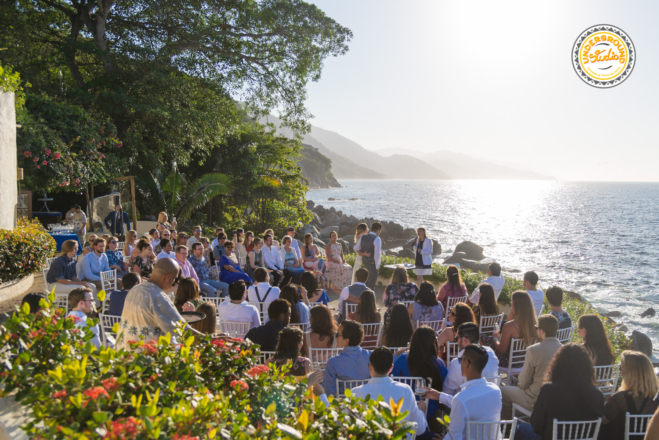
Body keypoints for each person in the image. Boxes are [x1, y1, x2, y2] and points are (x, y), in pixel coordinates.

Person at [514, 344, 604, 440]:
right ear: (587, 367)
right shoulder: (598, 394)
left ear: (558, 364)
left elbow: (536, 426)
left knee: (520, 428)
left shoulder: (549, 389)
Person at [118, 258, 204, 349]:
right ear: (168, 277)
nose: (173, 283)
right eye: (174, 279)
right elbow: (183, 330)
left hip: (126, 351)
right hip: (147, 356)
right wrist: (211, 339)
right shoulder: (158, 297)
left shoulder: (134, 289)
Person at [423, 345, 502, 440]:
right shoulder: (496, 391)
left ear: (467, 363)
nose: (459, 363)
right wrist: (439, 395)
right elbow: (471, 404)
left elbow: (454, 437)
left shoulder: (461, 399)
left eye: (461, 360)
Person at [353, 347, 431, 438]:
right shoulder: (405, 390)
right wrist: (421, 411)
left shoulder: (356, 392)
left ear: (370, 366)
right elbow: (420, 429)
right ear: (391, 368)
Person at [501, 315, 563, 419]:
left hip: (534, 399)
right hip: (554, 399)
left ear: (542, 331)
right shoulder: (564, 349)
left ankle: (507, 427)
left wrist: (519, 384)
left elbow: (524, 383)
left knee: (503, 390)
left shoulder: (533, 350)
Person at [392, 326, 448, 426]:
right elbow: (444, 388)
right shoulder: (439, 364)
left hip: (404, 410)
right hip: (430, 411)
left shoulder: (402, 359)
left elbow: (393, 381)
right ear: (433, 344)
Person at [599, 351, 659, 440]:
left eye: (621, 367)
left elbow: (601, 422)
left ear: (630, 373)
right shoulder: (655, 399)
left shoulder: (620, 399)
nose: (620, 370)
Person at [443, 323, 499, 396]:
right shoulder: (491, 353)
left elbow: (447, 392)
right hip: (491, 400)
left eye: (457, 338)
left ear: (465, 340)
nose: (457, 342)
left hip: (467, 404)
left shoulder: (459, 363)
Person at [323, 320, 372, 397]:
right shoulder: (371, 356)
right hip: (367, 403)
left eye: (337, 334)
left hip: (345, 405)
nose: (335, 337)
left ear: (346, 341)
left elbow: (328, 393)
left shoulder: (333, 362)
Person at [490, 291, 538, 367]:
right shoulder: (535, 325)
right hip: (524, 363)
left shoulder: (509, 326)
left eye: (512, 302)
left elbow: (501, 349)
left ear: (516, 305)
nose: (510, 304)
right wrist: (513, 312)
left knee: (482, 339)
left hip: (507, 362)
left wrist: (495, 338)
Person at [353, 222, 382, 290]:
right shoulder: (377, 239)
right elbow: (377, 255)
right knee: (371, 286)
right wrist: (377, 267)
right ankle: (370, 300)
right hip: (372, 265)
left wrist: (362, 253)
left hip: (363, 264)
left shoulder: (363, 237)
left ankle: (362, 300)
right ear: (378, 229)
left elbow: (355, 248)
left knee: (363, 286)